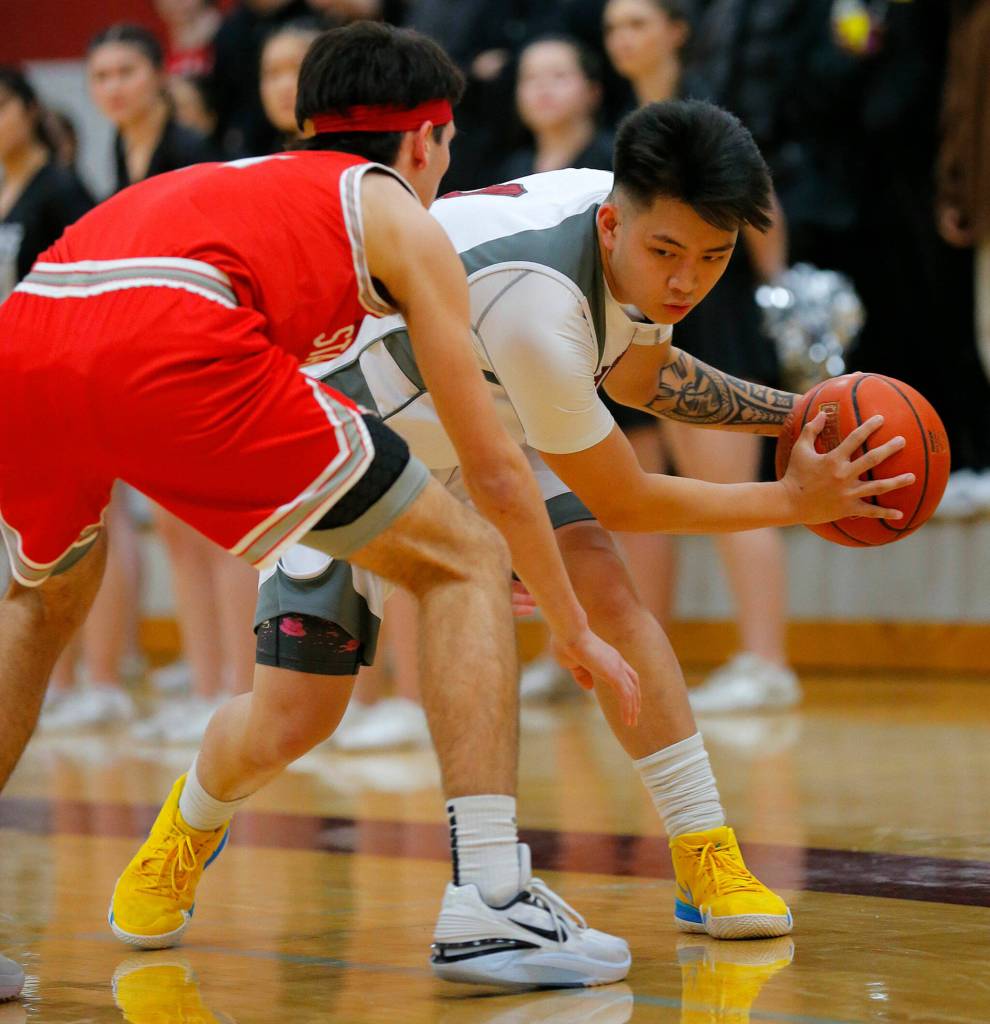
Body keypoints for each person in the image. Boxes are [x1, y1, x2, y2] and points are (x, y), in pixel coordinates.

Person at [112, 97, 914, 982]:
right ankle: (186, 827)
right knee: (294, 718)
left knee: (607, 593)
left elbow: (643, 369)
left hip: (481, 426)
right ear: (613, 224)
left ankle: (704, 856)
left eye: (713, 260)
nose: (686, 281)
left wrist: (793, 412)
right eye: (669, 256)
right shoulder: (540, 301)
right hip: (348, 434)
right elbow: (628, 496)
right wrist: (795, 498)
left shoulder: (631, 224)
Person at [0, 22, 638, 991]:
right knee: (464, 559)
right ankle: (492, 903)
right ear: (426, 138)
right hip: (175, 335)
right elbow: (500, 474)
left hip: (35, 322)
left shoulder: (241, 178)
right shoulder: (397, 214)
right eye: (447, 144)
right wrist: (572, 622)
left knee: (35, 610)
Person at [603, 0, 798, 712]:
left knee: (729, 496)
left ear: (676, 33)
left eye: (638, 23)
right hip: (628, 327)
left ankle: (767, 663)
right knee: (638, 501)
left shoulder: (709, 123)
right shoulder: (615, 129)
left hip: (710, 319)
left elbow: (763, 217)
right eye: (614, 28)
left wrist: (776, 295)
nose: (624, 39)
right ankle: (646, 659)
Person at [0, 68, 93, 296]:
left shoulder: (61, 188)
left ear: (31, 110)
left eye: (1, 107)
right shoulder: (5, 184)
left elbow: (89, 271)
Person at [496, 35, 613, 182]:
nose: (543, 86)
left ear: (593, 91)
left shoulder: (616, 161)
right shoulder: (513, 169)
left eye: (559, 75)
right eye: (530, 77)